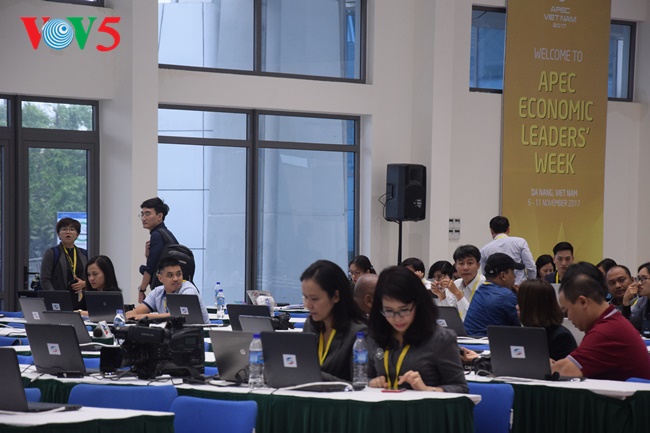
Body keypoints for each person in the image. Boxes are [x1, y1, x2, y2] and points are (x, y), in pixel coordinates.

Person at [366, 266, 468, 393]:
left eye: (404, 310)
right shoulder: (375, 336)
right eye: (388, 311)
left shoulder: (440, 339)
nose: (397, 318)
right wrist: (372, 382)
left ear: (418, 305)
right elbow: (364, 377)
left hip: (425, 404)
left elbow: (461, 389)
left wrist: (426, 389)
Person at [551, 262, 650, 381]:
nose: (569, 318)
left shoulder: (605, 332)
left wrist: (546, 364)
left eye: (567, 310)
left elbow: (562, 371)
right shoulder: (611, 320)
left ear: (583, 302)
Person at [301, 260, 367, 382]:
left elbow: (360, 384)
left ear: (335, 296)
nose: (308, 305)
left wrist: (315, 376)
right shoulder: (310, 325)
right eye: (305, 297)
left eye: (314, 299)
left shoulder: (358, 333)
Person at [126, 256, 209, 324]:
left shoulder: (188, 290)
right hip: (173, 335)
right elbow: (137, 312)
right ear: (160, 278)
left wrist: (147, 316)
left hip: (198, 335)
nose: (176, 279)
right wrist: (125, 316)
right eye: (170, 275)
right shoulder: (157, 292)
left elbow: (181, 316)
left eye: (179, 274)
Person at [463, 253, 522, 337]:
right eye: (512, 272)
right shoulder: (506, 296)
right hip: (489, 343)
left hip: (469, 341)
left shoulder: (480, 290)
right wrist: (523, 298)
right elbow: (524, 325)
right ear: (503, 275)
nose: (515, 277)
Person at [517, 279, 576, 360]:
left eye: (520, 303)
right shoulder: (527, 332)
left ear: (532, 307)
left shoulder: (561, 338)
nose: (517, 307)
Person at [40, 218, 88, 310]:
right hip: (58, 298)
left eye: (72, 229)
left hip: (79, 298)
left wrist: (85, 283)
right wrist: (54, 296)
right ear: (58, 234)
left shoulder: (84, 254)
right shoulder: (52, 253)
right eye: (64, 229)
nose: (68, 232)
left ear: (77, 234)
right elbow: (45, 279)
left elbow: (90, 277)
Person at [137, 197, 178, 303]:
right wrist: (148, 256)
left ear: (160, 216)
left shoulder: (157, 235)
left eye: (148, 214)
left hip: (165, 290)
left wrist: (142, 290)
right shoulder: (166, 234)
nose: (144, 218)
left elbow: (150, 268)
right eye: (142, 214)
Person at [432, 245, 485, 320]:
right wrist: (441, 296)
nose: (465, 268)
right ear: (456, 266)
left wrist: (457, 293)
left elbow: (473, 319)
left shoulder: (485, 285)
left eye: (470, 263)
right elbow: (450, 316)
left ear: (478, 265)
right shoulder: (456, 284)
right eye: (461, 263)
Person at [480, 216, 536, 284]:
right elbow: (531, 267)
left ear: (491, 231)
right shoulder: (520, 242)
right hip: (519, 287)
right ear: (508, 229)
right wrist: (530, 285)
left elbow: (486, 274)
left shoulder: (484, 250)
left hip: (497, 288)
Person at [621, 262, 650, 334]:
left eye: (644, 278)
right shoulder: (642, 302)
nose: (639, 283)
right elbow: (628, 327)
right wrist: (626, 302)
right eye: (638, 279)